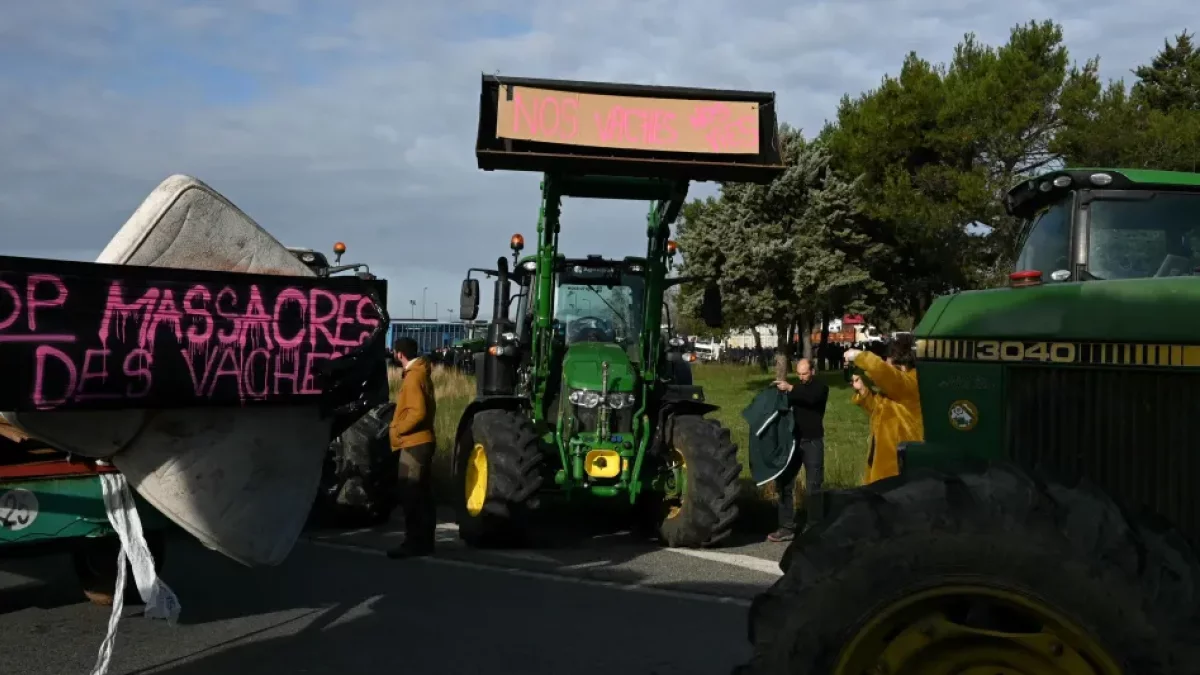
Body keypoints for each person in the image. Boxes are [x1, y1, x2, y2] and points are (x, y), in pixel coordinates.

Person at [845, 335, 923, 484]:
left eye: (887, 358)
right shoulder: (896, 390)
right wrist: (863, 391)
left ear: (897, 360)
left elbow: (884, 373)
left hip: (898, 471)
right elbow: (879, 409)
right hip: (881, 465)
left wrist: (859, 356)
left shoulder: (910, 384)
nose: (885, 361)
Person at [768, 358, 829, 542]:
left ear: (812, 371)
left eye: (805, 373)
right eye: (799, 374)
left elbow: (810, 398)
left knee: (813, 486)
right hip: (795, 442)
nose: (802, 377)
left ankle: (814, 527)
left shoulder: (820, 388)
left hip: (813, 442)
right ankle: (786, 526)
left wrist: (790, 388)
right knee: (785, 482)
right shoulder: (797, 388)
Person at [387, 337, 438, 558]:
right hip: (421, 441)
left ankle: (414, 542)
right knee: (422, 494)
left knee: (411, 493)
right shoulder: (420, 373)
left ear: (399, 354)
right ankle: (424, 541)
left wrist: (398, 429)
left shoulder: (413, 377)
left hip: (413, 442)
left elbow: (418, 412)